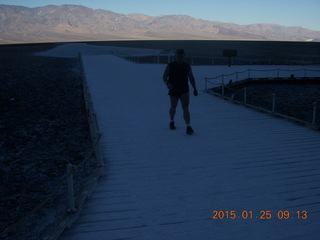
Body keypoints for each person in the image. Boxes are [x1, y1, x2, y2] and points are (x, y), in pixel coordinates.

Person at [162, 48, 198, 135]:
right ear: (176, 56)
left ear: (184, 56)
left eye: (182, 55)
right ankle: (172, 121)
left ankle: (188, 126)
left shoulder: (187, 66)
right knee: (173, 107)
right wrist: (167, 83)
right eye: (179, 55)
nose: (180, 56)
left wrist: (194, 88)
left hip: (184, 89)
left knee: (185, 108)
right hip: (173, 88)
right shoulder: (170, 65)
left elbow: (191, 78)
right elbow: (164, 76)